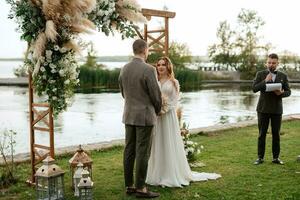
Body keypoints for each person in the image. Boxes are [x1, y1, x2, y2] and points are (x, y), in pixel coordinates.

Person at [146, 56, 221, 187]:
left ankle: (171, 173)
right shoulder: (154, 81)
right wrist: (156, 110)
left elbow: (174, 102)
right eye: (158, 65)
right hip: (156, 118)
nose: (161, 67)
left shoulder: (174, 82)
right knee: (157, 143)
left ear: (168, 66)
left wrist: (163, 110)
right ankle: (157, 173)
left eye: (163, 64)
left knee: (168, 143)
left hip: (168, 117)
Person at [119, 39, 162, 198]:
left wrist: (132, 105)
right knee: (142, 152)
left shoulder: (124, 68)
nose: (148, 51)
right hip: (144, 116)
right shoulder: (149, 69)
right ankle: (141, 188)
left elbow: (123, 92)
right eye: (148, 49)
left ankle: (129, 186)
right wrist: (156, 111)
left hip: (129, 115)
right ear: (144, 50)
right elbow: (156, 96)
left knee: (129, 150)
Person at [253, 53, 291, 165]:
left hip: (276, 110)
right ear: (266, 63)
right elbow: (254, 89)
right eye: (269, 62)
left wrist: (281, 93)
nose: (271, 64)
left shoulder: (283, 76)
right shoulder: (260, 74)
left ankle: (276, 158)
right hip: (263, 109)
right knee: (262, 134)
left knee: (276, 134)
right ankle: (260, 158)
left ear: (277, 63)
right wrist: (265, 81)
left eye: (273, 63)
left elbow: (288, 92)